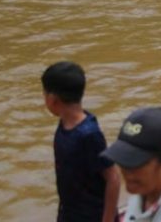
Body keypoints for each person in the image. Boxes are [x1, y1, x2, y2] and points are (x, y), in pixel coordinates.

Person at [41, 62, 120, 222]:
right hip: (70, 212)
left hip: (92, 215)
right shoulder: (64, 124)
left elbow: (113, 178)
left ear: (52, 100)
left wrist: (108, 219)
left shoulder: (89, 135)